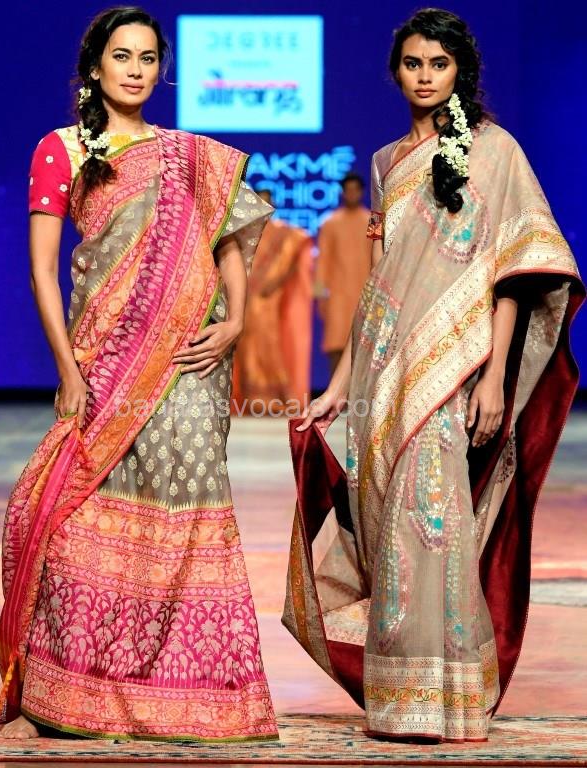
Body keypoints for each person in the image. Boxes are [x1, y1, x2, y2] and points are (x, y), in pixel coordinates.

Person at [284, 8, 583, 743]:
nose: (424, 76)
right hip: (383, 371)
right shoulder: (387, 161)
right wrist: (339, 386)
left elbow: (511, 272)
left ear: (459, 71)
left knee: (432, 523)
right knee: (384, 525)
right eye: (413, 64)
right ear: (396, 72)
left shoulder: (495, 150)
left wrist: (494, 377)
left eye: (438, 64)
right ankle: (397, 698)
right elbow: (377, 283)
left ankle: (446, 697)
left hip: (452, 368)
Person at [0, 6, 278, 742]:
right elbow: (43, 270)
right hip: (104, 361)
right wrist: (67, 368)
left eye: (148, 58)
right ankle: (76, 687)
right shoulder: (60, 149)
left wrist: (237, 321)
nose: (137, 69)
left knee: (185, 519)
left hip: (189, 366)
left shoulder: (189, 156)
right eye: (122, 55)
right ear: (95, 66)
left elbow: (229, 240)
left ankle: (186, 690)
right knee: (57, 512)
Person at [232, 188, 313, 412]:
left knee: (269, 344)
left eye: (267, 203)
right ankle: (248, 399)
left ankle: (270, 398)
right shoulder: (242, 232)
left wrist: (273, 282)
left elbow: (295, 250)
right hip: (242, 298)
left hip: (268, 301)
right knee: (245, 346)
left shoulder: (284, 234)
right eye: (260, 202)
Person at [316, 173, 372, 374]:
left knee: (366, 347)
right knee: (336, 346)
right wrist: (320, 294)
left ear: (361, 192)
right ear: (342, 193)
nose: (351, 194)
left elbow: (379, 256)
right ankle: (335, 393)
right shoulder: (330, 222)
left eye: (355, 190)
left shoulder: (373, 221)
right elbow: (322, 261)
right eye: (348, 190)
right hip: (337, 296)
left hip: (366, 292)